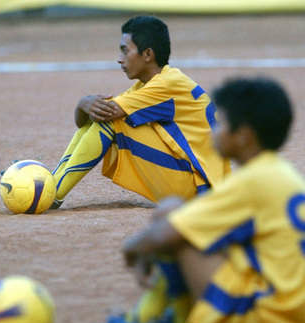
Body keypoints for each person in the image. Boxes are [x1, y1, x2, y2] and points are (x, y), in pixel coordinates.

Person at [78, 77, 305, 323]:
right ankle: (170, 317)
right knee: (177, 215)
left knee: (174, 227)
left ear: (245, 135)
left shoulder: (253, 181)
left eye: (221, 123)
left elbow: (167, 234)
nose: (214, 131)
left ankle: (155, 322)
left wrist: (133, 248)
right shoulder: (281, 173)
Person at [51, 15, 229, 209]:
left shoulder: (166, 84)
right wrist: (83, 105)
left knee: (111, 121)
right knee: (108, 118)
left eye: (125, 51)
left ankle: (53, 193)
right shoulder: (151, 84)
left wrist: (84, 103)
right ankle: (51, 186)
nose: (120, 59)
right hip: (195, 180)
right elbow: (88, 121)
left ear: (147, 54)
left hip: (198, 187)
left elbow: (104, 116)